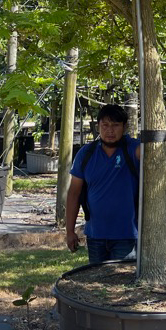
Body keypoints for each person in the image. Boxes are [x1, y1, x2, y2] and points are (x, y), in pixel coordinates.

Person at [65, 104, 141, 264]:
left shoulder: (132, 149)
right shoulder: (86, 154)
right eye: (105, 125)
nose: (110, 130)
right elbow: (74, 194)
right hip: (95, 236)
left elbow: (153, 149)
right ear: (97, 126)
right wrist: (70, 231)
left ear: (124, 127)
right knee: (97, 285)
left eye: (115, 125)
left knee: (120, 284)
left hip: (126, 236)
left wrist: (161, 141)